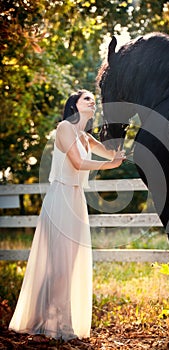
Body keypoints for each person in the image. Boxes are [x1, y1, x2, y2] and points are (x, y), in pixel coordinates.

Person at [9, 89, 125, 341]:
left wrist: (125, 143)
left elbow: (112, 154)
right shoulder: (64, 127)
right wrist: (108, 164)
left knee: (69, 265)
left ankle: (50, 319)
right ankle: (55, 323)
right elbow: (77, 163)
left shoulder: (86, 137)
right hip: (60, 196)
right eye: (87, 99)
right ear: (74, 105)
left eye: (93, 100)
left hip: (76, 199)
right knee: (58, 265)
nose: (92, 102)